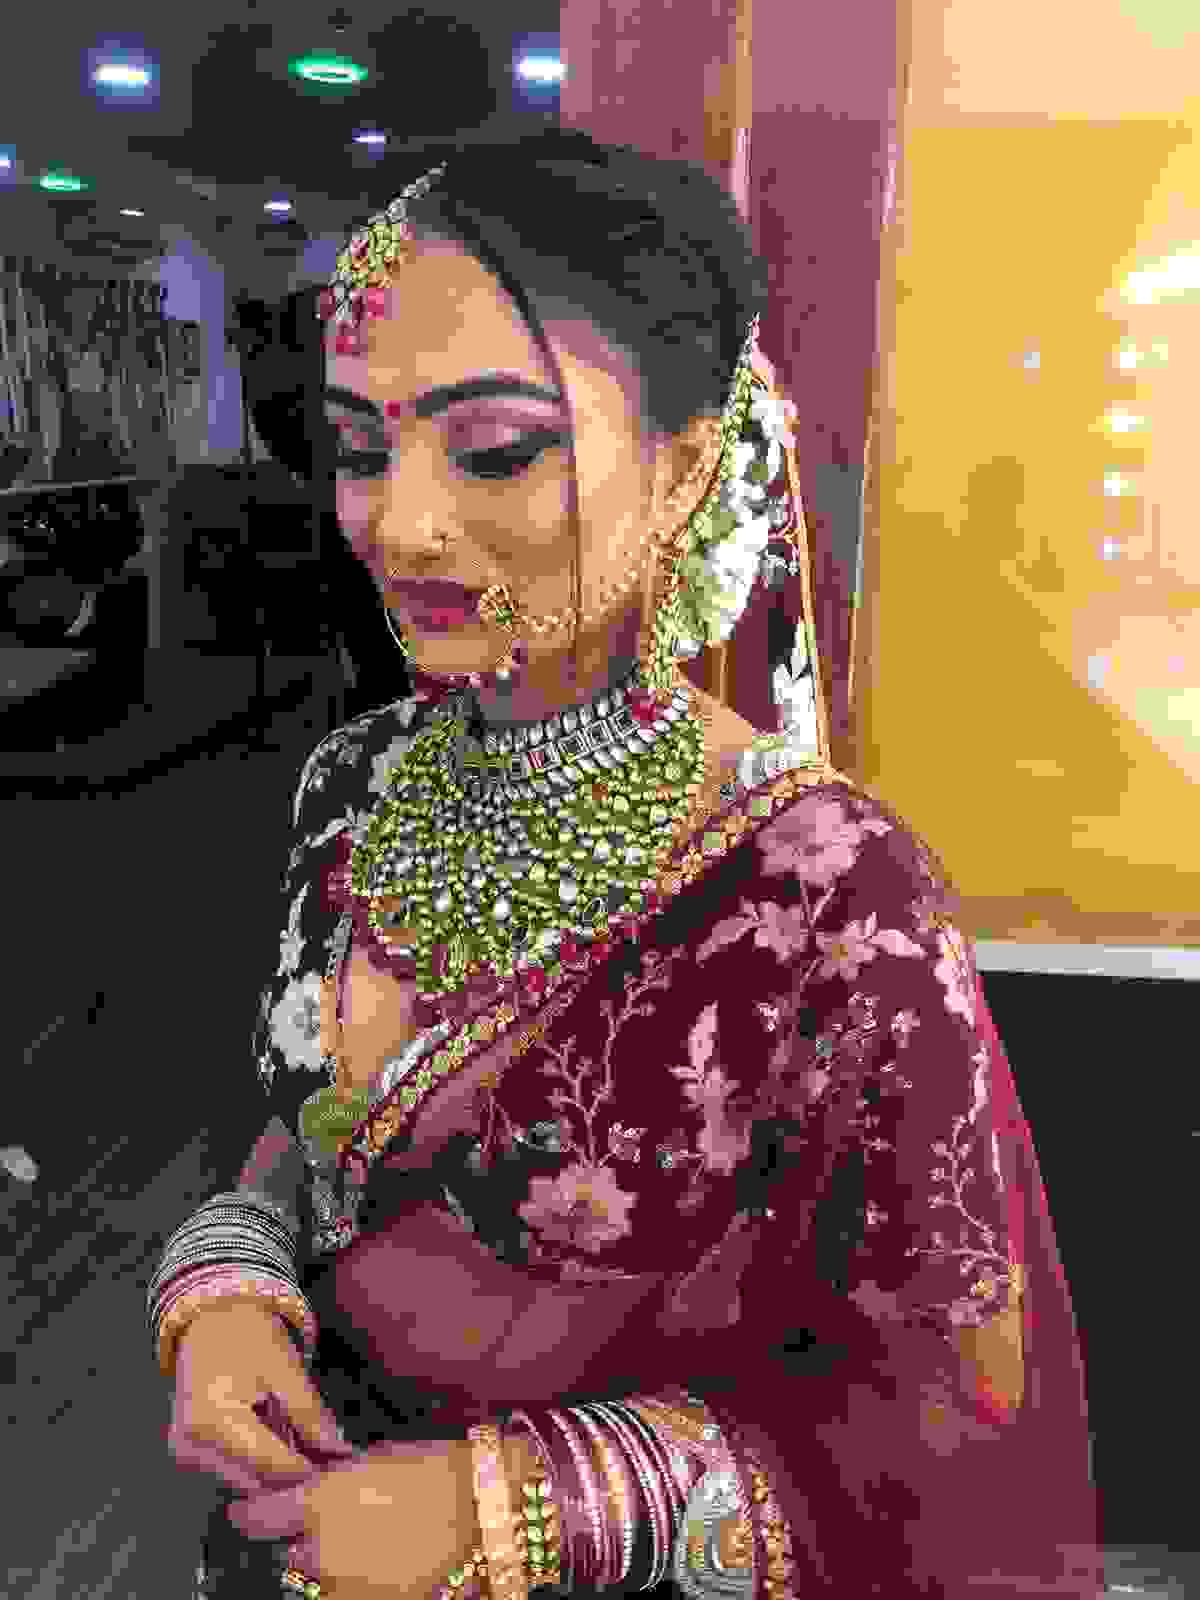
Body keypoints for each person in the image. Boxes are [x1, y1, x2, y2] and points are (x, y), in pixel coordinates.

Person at [149, 127, 1102, 1599]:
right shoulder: (351, 784)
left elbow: (941, 1431)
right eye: (358, 447)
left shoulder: (832, 898)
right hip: (291, 1537)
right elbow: (315, 1145)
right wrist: (226, 1289)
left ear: (684, 467)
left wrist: (512, 1507)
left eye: (496, 450)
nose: (396, 522)